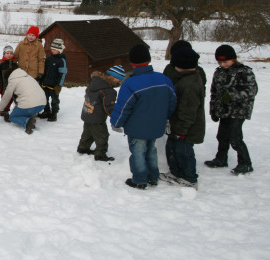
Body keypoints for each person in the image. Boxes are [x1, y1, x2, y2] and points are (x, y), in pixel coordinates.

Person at [110, 44, 177, 190]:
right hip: (156, 125)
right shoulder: (163, 79)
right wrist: (166, 118)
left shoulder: (130, 84)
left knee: (138, 153)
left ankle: (139, 179)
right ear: (149, 59)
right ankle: (153, 177)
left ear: (132, 63)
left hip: (137, 128)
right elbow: (172, 101)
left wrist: (116, 122)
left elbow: (123, 106)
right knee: (151, 151)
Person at [205, 44, 258, 175]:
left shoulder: (244, 71)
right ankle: (221, 159)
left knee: (235, 138)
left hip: (239, 111)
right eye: (220, 62)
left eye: (225, 61)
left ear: (233, 59)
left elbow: (252, 90)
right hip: (223, 110)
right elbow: (214, 92)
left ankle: (245, 163)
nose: (223, 64)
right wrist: (213, 110)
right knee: (222, 136)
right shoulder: (219, 72)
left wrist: (232, 96)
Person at [160, 46, 205, 189]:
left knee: (184, 152)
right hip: (176, 124)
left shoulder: (191, 84)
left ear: (182, 66)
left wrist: (182, 130)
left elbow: (188, 111)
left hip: (186, 128)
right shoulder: (183, 78)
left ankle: (190, 178)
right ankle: (175, 172)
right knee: (172, 148)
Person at [77, 65, 125, 162]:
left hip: (87, 113)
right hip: (97, 118)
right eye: (119, 80)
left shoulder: (95, 82)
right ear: (113, 77)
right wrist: (115, 118)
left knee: (88, 133)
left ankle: (83, 148)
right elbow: (109, 107)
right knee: (103, 135)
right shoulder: (109, 91)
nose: (119, 83)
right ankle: (100, 154)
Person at [0, 65, 46, 134]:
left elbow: (7, 96)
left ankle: (27, 121)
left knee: (12, 117)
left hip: (30, 105)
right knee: (25, 103)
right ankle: (30, 117)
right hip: (42, 104)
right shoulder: (28, 77)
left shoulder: (13, 80)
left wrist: (0, 109)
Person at [38, 38, 68, 122]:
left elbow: (62, 74)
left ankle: (54, 113)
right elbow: (44, 71)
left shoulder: (62, 61)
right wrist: (41, 80)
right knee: (44, 99)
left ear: (60, 50)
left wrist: (59, 85)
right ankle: (46, 111)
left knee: (54, 100)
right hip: (45, 84)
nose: (53, 51)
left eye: (55, 50)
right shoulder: (48, 59)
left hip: (54, 85)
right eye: (52, 49)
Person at [0, 45, 17, 118]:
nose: (9, 55)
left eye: (11, 53)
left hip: (12, 84)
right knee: (4, 97)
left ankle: (7, 109)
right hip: (3, 84)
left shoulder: (15, 64)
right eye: (7, 53)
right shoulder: (0, 63)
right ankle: (4, 110)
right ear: (4, 54)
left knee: (11, 98)